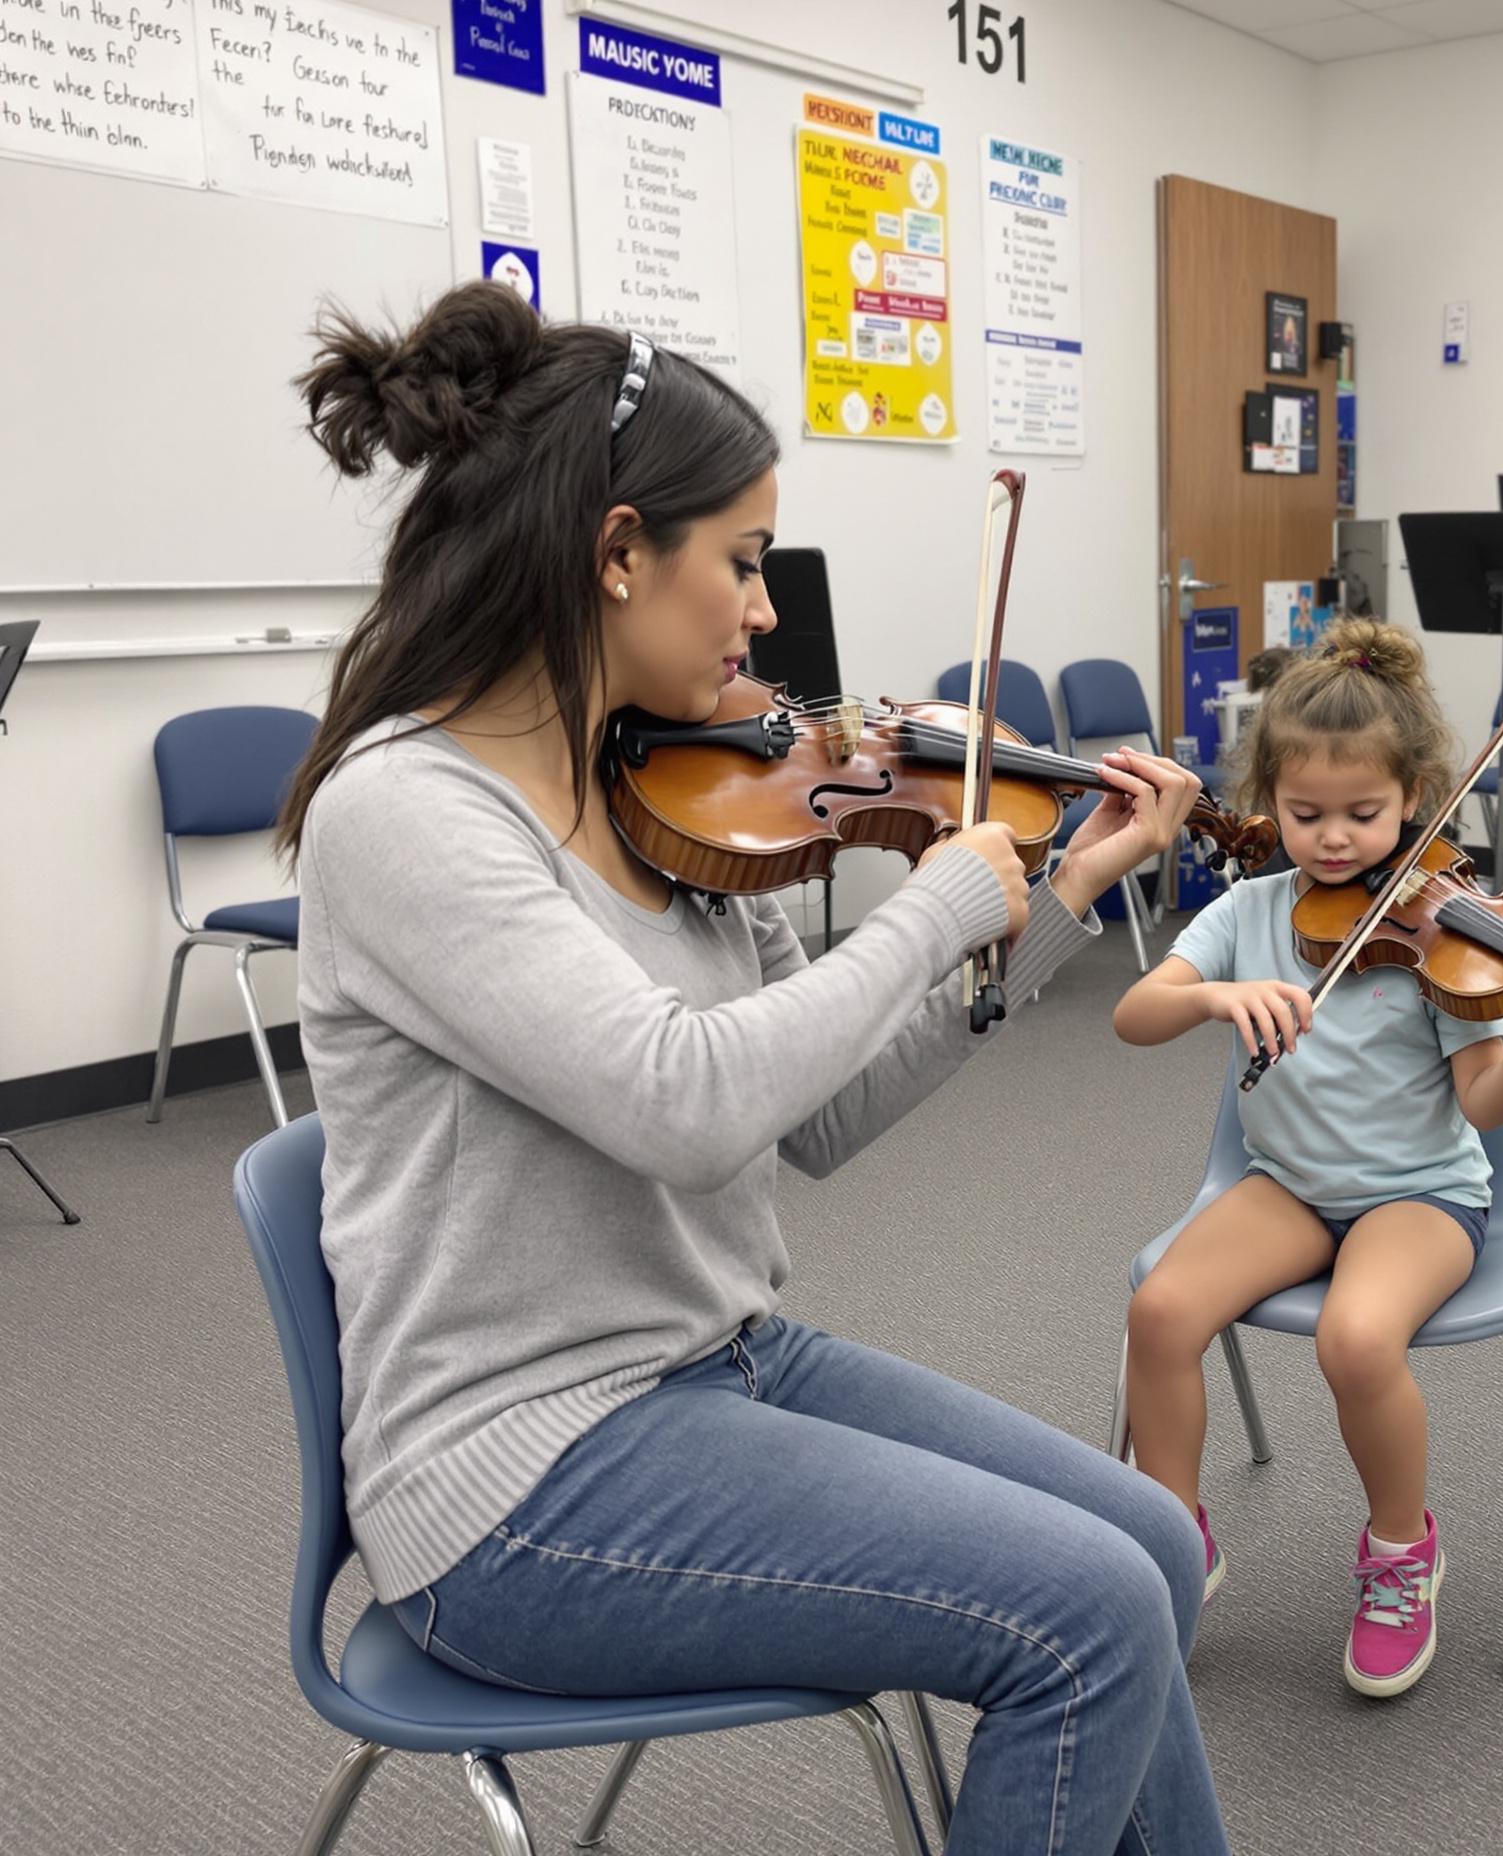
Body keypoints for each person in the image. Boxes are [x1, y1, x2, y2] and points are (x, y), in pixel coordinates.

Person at [280, 281, 1227, 1856]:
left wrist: (1056, 905)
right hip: (519, 1479)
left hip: (707, 1366)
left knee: (1149, 1547)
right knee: (1091, 1620)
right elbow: (683, 1098)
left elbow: (823, 1116)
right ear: (615, 553)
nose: (765, 613)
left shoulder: (672, 793)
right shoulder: (411, 813)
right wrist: (934, 907)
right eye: (741, 562)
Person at [1110, 621, 1503, 1699]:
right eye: (1305, 814)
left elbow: (1486, 1101)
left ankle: (1402, 1555)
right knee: (1160, 1308)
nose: (1333, 841)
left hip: (1421, 1195)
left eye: (1363, 815)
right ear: (1268, 799)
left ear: (1417, 800)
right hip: (1288, 1184)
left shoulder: (1444, 927)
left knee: (1355, 1334)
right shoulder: (1247, 909)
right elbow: (1134, 1014)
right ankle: (1173, 1536)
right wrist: (1213, 992)